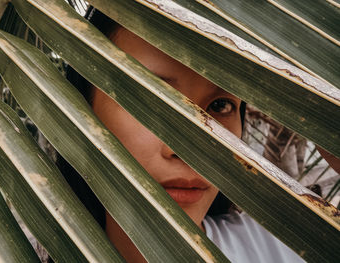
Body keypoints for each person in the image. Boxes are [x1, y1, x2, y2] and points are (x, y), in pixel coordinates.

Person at [61, 7, 340, 263]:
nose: (189, 149)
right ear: (81, 106)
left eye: (220, 106)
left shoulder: (292, 250)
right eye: (149, 100)